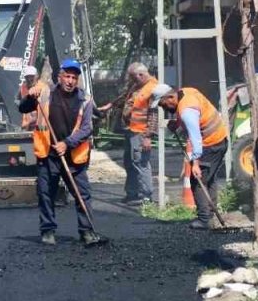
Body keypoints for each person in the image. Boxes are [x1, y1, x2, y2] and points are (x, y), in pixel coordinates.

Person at [18, 58, 104, 246]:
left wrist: (67, 143)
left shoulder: (85, 100)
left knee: (82, 194)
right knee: (46, 194)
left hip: (74, 156)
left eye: (74, 77)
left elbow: (87, 129)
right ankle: (48, 231)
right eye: (67, 76)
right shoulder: (45, 94)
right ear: (60, 77)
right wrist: (30, 96)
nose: (70, 81)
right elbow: (22, 108)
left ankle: (87, 231)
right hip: (48, 154)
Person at [150, 83, 230, 230]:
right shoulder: (187, 92)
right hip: (220, 139)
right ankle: (211, 215)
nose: (163, 108)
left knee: (197, 180)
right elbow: (196, 115)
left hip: (210, 144)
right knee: (208, 178)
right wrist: (178, 123)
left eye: (162, 104)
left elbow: (195, 137)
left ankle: (205, 219)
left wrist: (196, 163)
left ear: (170, 97)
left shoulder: (187, 111)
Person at [100, 62, 158, 206]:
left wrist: (148, 136)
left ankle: (146, 196)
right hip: (130, 130)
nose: (131, 80)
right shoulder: (137, 85)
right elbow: (125, 97)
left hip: (140, 132)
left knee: (140, 162)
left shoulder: (153, 88)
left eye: (133, 77)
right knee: (129, 162)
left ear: (141, 75)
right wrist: (110, 105)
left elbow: (153, 115)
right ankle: (132, 193)